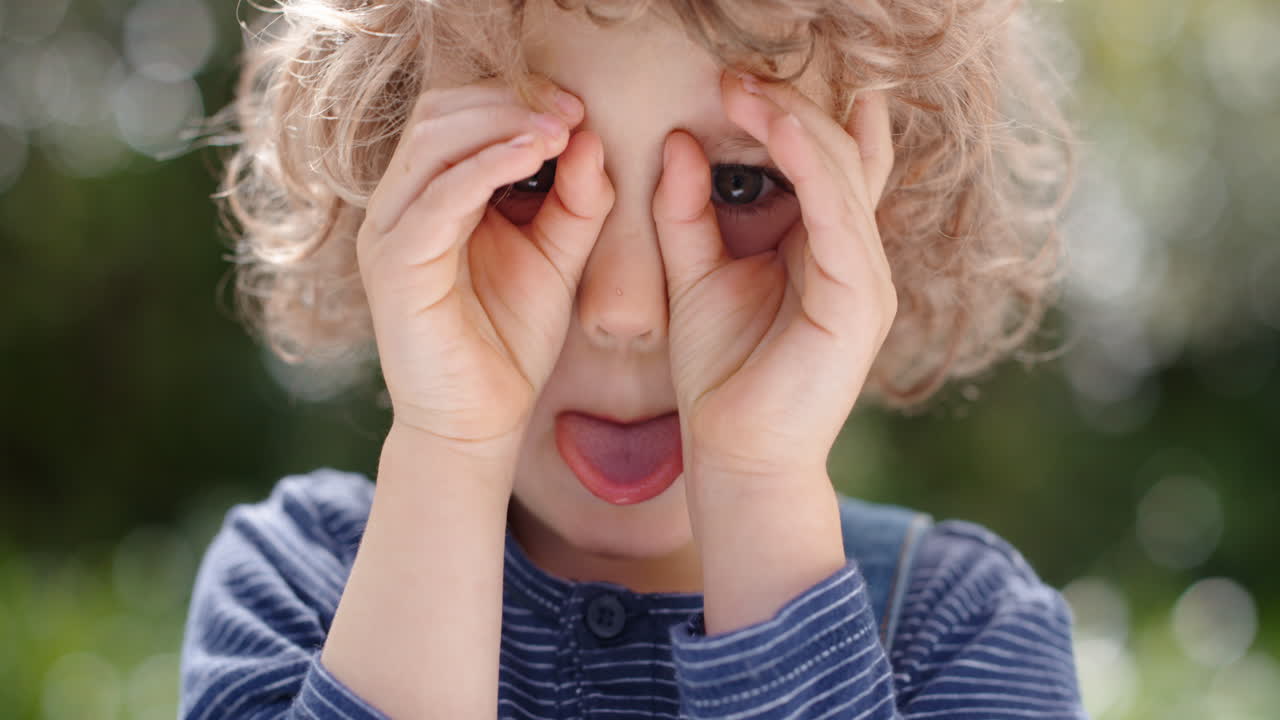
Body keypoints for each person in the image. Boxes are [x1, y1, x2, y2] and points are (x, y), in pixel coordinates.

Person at [179, 0, 1085, 717]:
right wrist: (449, 450)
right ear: (384, 191)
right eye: (529, 178)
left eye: (741, 185)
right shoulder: (302, 583)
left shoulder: (966, 630)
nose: (625, 310)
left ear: (885, 217)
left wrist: (760, 484)